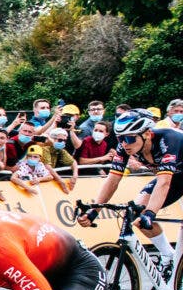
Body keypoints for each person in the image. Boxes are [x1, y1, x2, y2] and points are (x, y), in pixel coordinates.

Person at [78, 109, 183, 274]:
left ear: (147, 134)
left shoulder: (169, 139)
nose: (124, 143)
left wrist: (150, 213)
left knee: (148, 214)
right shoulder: (125, 146)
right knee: (135, 212)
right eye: (120, 138)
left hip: (170, 178)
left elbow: (163, 183)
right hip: (176, 178)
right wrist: (94, 211)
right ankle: (167, 254)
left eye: (129, 138)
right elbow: (112, 179)